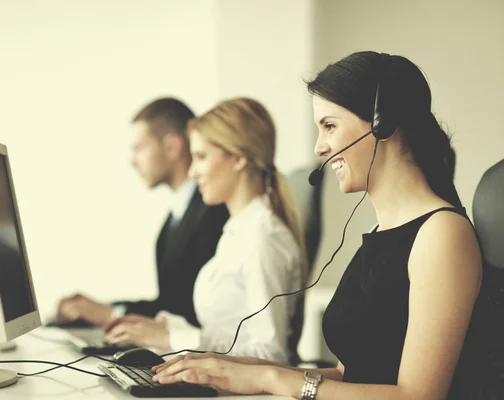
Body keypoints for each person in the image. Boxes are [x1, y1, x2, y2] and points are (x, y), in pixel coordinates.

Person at [150, 52, 500, 399]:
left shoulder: (442, 235)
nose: (320, 148)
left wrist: (273, 380)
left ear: (382, 125)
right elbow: (350, 376)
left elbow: (417, 396)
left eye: (329, 126)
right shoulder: (381, 237)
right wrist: (234, 369)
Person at [105, 98, 308, 364]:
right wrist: (165, 330)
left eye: (201, 157)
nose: (192, 171)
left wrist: (173, 340)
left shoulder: (262, 237)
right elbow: (227, 334)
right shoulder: (238, 230)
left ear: (237, 158)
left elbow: (271, 354)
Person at [57, 98, 229, 328]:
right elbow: (169, 305)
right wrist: (105, 308)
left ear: (172, 147)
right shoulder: (177, 217)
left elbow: (190, 315)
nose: (132, 161)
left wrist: (111, 314)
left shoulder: (213, 214)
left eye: (139, 148)